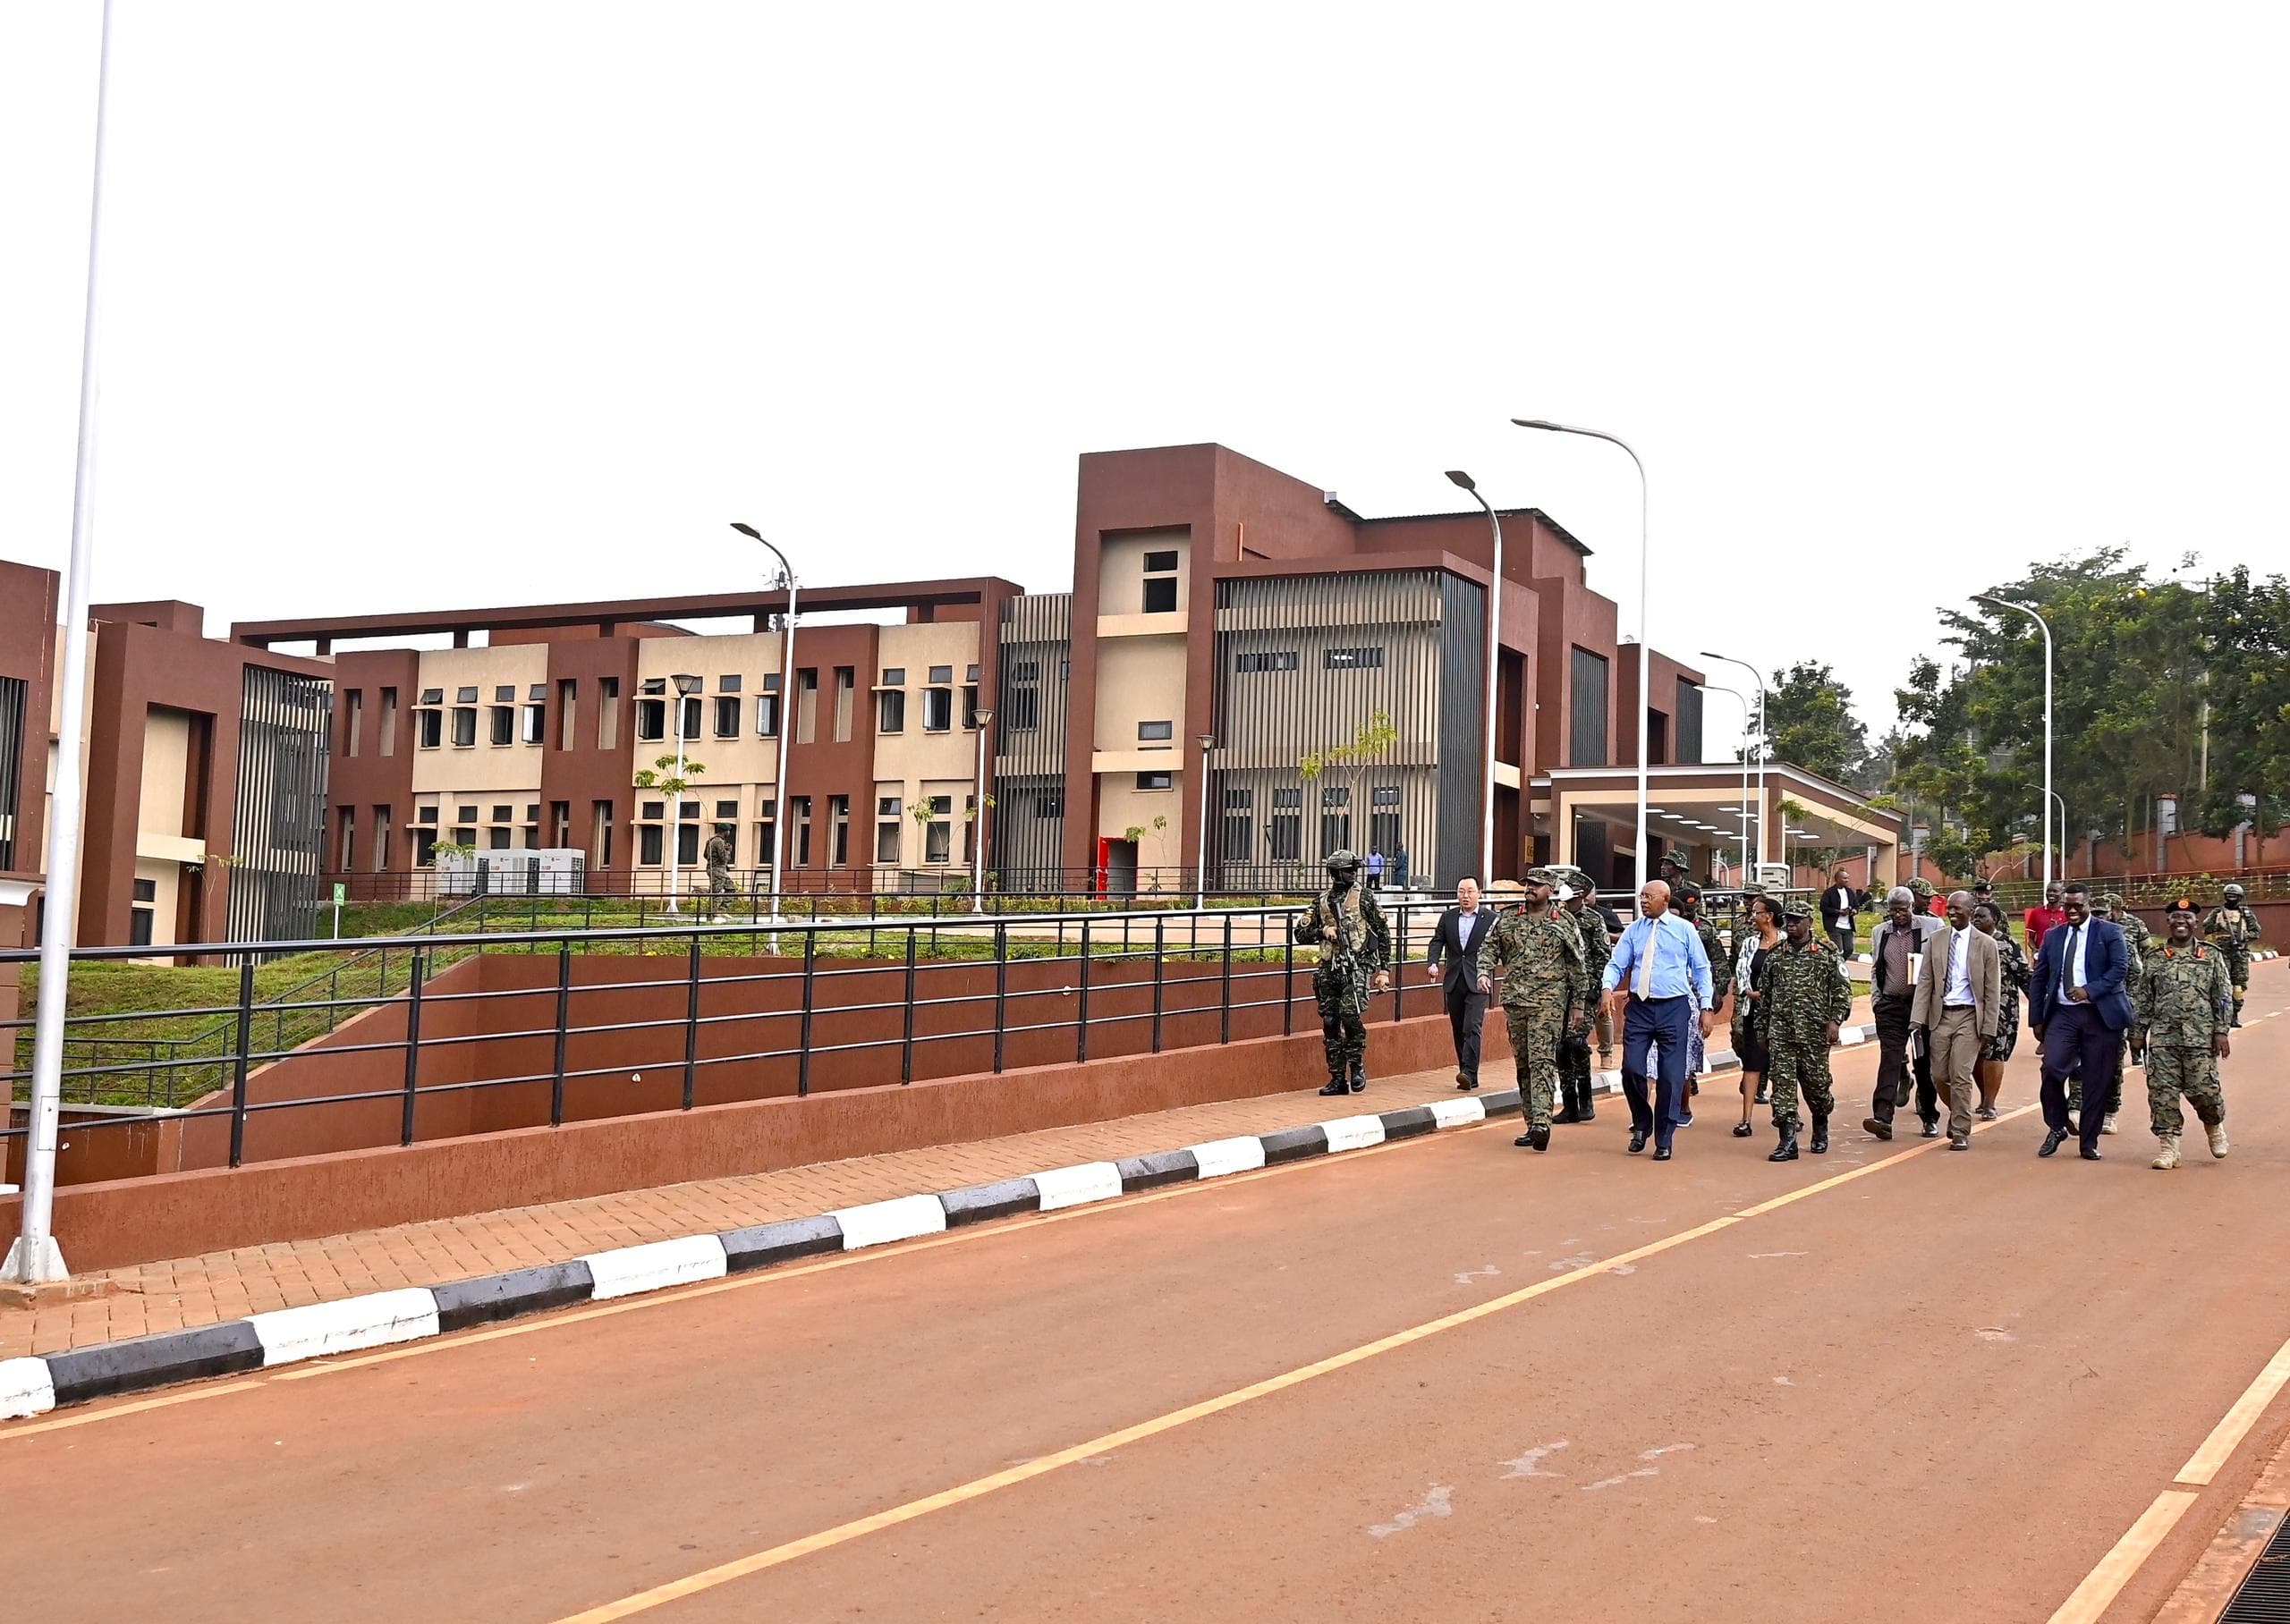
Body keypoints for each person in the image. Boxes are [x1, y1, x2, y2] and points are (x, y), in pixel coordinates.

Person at [1599, 879, 1715, 1163]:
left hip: (1674, 1008)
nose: (1643, 901)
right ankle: (1642, 1123)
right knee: (1632, 1069)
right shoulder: (1634, 931)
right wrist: (1606, 990)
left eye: (1649, 897)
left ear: (1665, 899)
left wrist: (1707, 1006)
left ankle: (1664, 1139)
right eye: (1641, 896)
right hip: (1640, 1008)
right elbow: (1617, 963)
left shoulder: (1684, 930)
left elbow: (1701, 969)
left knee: (1671, 1076)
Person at [1475, 868, 1590, 1151]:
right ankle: (1531, 1123)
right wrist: (1483, 972)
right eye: (1528, 884)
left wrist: (1577, 1005)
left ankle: (1542, 1123)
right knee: (1524, 1064)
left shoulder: (1563, 921)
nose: (1531, 889)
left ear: (1550, 890)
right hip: (1516, 1001)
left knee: (1542, 1060)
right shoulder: (1508, 918)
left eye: (1538, 885)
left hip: (1549, 1004)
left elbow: (1578, 965)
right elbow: (1488, 948)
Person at [2028, 883, 2135, 1162]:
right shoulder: (2053, 936)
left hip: (2100, 1015)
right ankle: (2057, 1125)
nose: (2073, 911)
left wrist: (2090, 990)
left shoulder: (2110, 932)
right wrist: (2037, 1019)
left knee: (2096, 1081)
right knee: (2051, 1070)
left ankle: (2088, 1141)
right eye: (2068, 906)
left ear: (2088, 904)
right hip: (2063, 1015)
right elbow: (2040, 978)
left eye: (2078, 906)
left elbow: (2119, 970)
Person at [2136, 899, 2233, 1170]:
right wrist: (2138, 1032)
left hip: (2200, 1039)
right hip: (2163, 1040)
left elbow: (2223, 997)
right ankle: (2169, 1148)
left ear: (2195, 922)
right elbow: (2144, 998)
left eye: (2187, 917)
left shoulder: (2211, 955)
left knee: (2205, 1091)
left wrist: (2221, 1031)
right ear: (2168, 922)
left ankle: (2214, 1128)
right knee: (2162, 1094)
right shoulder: (2155, 957)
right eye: (2176, 917)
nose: (2181, 921)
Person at [1753, 901, 1852, 1160]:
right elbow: (1766, 996)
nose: (1792, 924)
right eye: (1789, 920)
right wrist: (1762, 1029)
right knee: (1782, 1087)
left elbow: (1842, 991)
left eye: (1797, 920)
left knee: (1817, 1088)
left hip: (1814, 1032)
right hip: (1782, 1032)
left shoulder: (1827, 952)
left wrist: (1835, 1021)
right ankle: (1788, 1141)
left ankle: (1820, 1125)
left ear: (1810, 922)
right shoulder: (1776, 955)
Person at [1910, 889, 2003, 1150]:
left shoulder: (1986, 945)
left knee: (1960, 1075)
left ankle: (1961, 1129)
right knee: (1939, 1075)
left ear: (1970, 911)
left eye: (1957, 908)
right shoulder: (1936, 940)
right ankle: (1957, 1111)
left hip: (1969, 1017)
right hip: (1941, 1016)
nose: (1951, 912)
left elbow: (1992, 990)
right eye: (1948, 908)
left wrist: (1989, 1028)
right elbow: (1925, 980)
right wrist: (1917, 1019)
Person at [1293, 850, 1391, 1096]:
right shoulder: (1322, 901)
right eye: (1348, 870)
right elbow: (1300, 933)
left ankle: (1357, 1066)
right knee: (1330, 1022)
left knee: (1350, 1014)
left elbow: (1383, 932)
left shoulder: (1364, 897)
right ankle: (1337, 1078)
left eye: (1354, 870)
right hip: (1329, 968)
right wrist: (1323, 930)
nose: (1353, 874)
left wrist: (1384, 970)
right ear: (1335, 873)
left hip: (1356, 965)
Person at [1862, 886, 1945, 1141]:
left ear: (1912, 906)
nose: (1899, 914)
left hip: (1921, 1007)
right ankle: (1882, 1118)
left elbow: (1942, 962)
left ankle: (1929, 1116)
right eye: (1894, 910)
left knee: (1923, 1063)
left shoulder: (1932, 926)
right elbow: (1877, 967)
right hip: (1890, 1006)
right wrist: (1877, 999)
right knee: (1890, 1060)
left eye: (1903, 909)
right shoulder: (1880, 932)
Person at [1425, 876, 1496, 1091]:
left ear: (1479, 893)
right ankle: (1465, 1070)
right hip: (1454, 979)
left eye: (1470, 891)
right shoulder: (1448, 917)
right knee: (1458, 1027)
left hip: (1479, 981)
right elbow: (1437, 941)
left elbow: (1499, 947)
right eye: (1461, 891)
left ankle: (1469, 1072)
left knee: (1472, 1026)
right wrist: (1433, 963)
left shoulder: (1491, 918)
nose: (1465, 896)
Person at [1728, 893, 1785, 1138]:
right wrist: (1749, 992)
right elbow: (1742, 971)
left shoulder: (1787, 941)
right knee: (1752, 1063)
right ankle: (1746, 1119)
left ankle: (1787, 1115)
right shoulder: (1751, 943)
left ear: (1769, 916)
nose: (1752, 917)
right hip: (1755, 1011)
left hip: (1783, 1014)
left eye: (1757, 912)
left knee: (1784, 1065)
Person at [1673, 882, 1732, 1114]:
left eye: (1693, 904)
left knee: (1694, 1038)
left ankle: (1690, 1074)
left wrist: (1719, 989)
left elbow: (1718, 960)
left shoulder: (1705, 929)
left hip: (1698, 993)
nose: (1689, 909)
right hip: (1674, 991)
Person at [1556, 867, 1609, 1122]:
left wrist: (1598, 990)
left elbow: (1603, 956)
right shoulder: (1557, 917)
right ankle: (1569, 1104)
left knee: (1576, 1043)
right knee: (1561, 1047)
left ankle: (1586, 1099)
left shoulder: (1593, 920)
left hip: (1585, 992)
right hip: (1558, 991)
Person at [1970, 901, 2029, 1120]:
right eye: (1975, 916)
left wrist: (2039, 1012)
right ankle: (1985, 1095)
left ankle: (1989, 1104)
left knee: (1996, 1052)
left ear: (1994, 920)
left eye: (1982, 916)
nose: (1977, 919)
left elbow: (2025, 976)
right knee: (1974, 1053)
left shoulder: (2007, 944)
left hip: (2003, 1009)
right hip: (1973, 1007)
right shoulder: (1967, 943)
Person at [2202, 883, 2260, 1028]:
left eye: (2235, 896)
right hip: (2221, 953)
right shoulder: (2217, 912)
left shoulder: (2246, 913)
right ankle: (2221, 1015)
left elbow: (2256, 932)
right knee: (2222, 985)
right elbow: (2207, 928)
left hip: (2240, 953)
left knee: (2238, 987)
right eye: (2229, 896)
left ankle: (2234, 1015)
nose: (2231, 898)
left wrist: (2243, 936)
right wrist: (2219, 925)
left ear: (2240, 898)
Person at [1820, 870, 1862, 960]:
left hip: (1848, 926)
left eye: (1847, 878)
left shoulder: (1850, 892)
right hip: (1834, 926)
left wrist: (1854, 910)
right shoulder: (1829, 892)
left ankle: (1839, 964)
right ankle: (1837, 966)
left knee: (1849, 949)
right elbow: (1823, 908)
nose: (1847, 880)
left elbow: (1856, 906)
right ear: (1838, 879)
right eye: (1845, 878)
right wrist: (1838, 912)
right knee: (1838, 950)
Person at [703, 825, 738, 920]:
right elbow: (724, 858)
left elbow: (705, 855)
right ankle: (711, 916)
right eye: (729, 831)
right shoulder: (719, 842)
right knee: (716, 893)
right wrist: (728, 851)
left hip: (716, 869)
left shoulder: (710, 841)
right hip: (717, 870)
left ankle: (720, 910)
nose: (729, 833)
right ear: (725, 831)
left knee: (730, 888)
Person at [2024, 881, 2067, 954]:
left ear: (2061, 893)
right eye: (2049, 891)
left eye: (2055, 891)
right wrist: (2035, 950)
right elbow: (2030, 939)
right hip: (2041, 958)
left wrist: (2057, 930)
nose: (2051, 894)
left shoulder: (2067, 914)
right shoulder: (2036, 912)